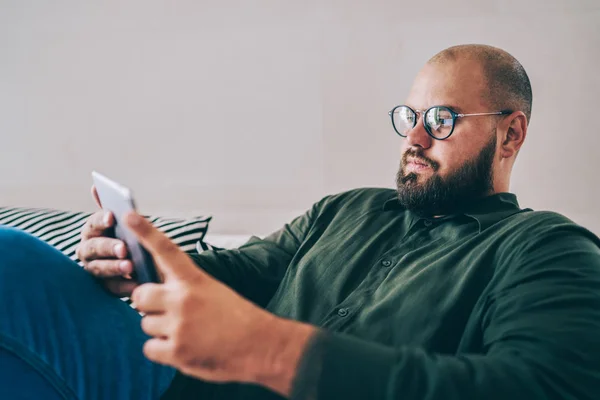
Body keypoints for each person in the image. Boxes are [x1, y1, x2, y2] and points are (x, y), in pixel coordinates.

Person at [1, 44, 599, 400]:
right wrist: (135, 265)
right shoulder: (344, 210)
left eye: (441, 119)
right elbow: (236, 273)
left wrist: (273, 351)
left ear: (511, 132)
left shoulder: (547, 248)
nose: (414, 138)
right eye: (408, 115)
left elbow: (539, 387)